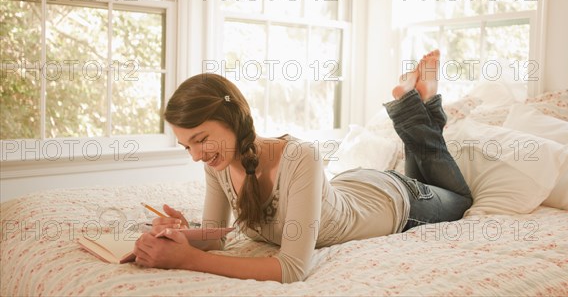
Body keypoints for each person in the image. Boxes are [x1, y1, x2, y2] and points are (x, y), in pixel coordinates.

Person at [133, 49, 472, 283]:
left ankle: (416, 104)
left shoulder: (300, 156)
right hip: (351, 188)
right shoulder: (217, 164)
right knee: (423, 170)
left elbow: (292, 268)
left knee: (460, 199)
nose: (196, 155)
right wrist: (184, 236)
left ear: (231, 117)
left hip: (397, 201)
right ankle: (416, 102)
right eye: (187, 146)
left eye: (201, 139)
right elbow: (216, 238)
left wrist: (188, 260)